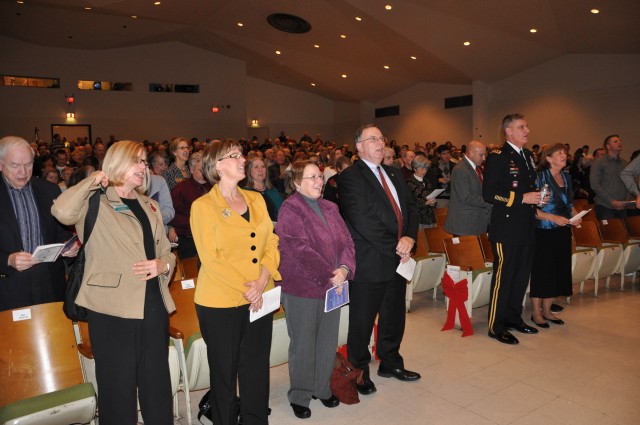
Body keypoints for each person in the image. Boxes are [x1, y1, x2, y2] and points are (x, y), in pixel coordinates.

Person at [51, 140, 176, 424]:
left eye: (145, 161)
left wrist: (163, 264)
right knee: (117, 391)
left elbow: (166, 251)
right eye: (137, 161)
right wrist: (94, 179)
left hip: (153, 305)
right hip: (111, 310)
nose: (143, 167)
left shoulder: (150, 204)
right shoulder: (95, 201)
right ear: (117, 162)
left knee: (157, 384)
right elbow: (61, 211)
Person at [190, 140, 281, 425]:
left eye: (241, 154)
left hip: (259, 295)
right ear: (217, 165)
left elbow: (271, 241)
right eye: (235, 156)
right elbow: (211, 258)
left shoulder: (256, 199)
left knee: (255, 368)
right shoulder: (203, 206)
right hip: (220, 302)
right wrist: (249, 288)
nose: (242, 159)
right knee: (224, 373)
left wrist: (264, 277)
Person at [338, 124, 420, 395]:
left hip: (398, 257)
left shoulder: (394, 173)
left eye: (381, 138)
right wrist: (396, 247)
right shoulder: (350, 177)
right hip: (371, 260)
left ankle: (390, 362)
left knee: (394, 316)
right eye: (371, 139)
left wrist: (409, 237)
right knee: (362, 322)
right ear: (358, 146)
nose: (379, 143)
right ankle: (359, 372)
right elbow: (363, 221)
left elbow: (410, 209)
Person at [276, 160, 356, 419]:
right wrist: (329, 275)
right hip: (302, 288)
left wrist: (344, 268)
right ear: (297, 183)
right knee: (303, 344)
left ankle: (322, 389)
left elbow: (347, 241)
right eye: (311, 177)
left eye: (320, 176)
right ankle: (300, 394)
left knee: (327, 341)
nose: (319, 181)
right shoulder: (291, 208)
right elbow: (298, 248)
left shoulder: (330, 207)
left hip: (333, 286)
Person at [482, 114, 545, 345]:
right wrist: (522, 198)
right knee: (504, 277)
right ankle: (496, 326)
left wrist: (538, 197)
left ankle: (512, 318)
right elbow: (489, 193)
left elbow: (529, 187)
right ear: (508, 131)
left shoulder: (528, 155)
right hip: (506, 226)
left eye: (527, 125)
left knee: (520, 276)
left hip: (526, 225)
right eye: (521, 127)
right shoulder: (498, 156)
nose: (527, 130)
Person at [0, 136, 78, 311]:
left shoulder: (49, 189)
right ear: (0, 164)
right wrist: (7, 259)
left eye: (28, 164)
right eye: (14, 165)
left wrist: (68, 246)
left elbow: (61, 231)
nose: (23, 172)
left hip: (48, 280)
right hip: (8, 284)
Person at [530, 143, 580, 328]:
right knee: (542, 272)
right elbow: (531, 209)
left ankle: (548, 310)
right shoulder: (539, 177)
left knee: (556, 271)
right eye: (559, 153)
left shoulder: (566, 177)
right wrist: (552, 217)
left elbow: (570, 204)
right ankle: (536, 313)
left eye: (565, 153)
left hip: (562, 230)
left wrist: (575, 216)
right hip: (543, 230)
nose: (564, 155)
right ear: (548, 158)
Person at [168, 151, 212, 259]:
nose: (204, 172)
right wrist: (195, 221)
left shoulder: (214, 187)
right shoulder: (181, 189)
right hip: (189, 240)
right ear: (191, 170)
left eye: (206, 169)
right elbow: (172, 215)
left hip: (211, 239)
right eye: (201, 169)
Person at [444, 141, 492, 236]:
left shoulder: (476, 167)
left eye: (484, 155)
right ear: (470, 153)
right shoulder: (461, 169)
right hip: (465, 225)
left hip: (476, 222)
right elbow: (466, 197)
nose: (484, 158)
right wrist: (490, 201)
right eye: (481, 155)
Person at [590, 134, 631, 219]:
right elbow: (595, 184)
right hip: (605, 206)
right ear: (608, 146)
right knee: (607, 232)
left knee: (621, 232)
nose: (619, 143)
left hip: (622, 206)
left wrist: (626, 201)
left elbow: (628, 183)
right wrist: (611, 201)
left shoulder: (624, 163)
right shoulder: (599, 162)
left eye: (620, 141)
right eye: (615, 141)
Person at [243, 157, 284, 222]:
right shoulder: (244, 193)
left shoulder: (273, 191)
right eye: (256, 167)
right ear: (249, 171)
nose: (260, 170)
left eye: (263, 167)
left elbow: (283, 212)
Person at [405, 154, 438, 228]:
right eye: (421, 168)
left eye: (426, 168)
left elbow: (432, 198)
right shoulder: (409, 182)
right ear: (415, 168)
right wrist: (425, 203)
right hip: (418, 219)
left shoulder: (427, 181)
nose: (424, 171)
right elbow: (409, 204)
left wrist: (433, 202)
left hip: (430, 217)